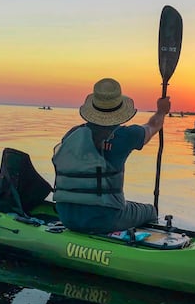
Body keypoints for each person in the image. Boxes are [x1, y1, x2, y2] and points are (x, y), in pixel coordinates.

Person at [52, 78, 170, 234]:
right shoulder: (126, 135)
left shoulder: (72, 134)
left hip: (66, 215)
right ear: (120, 110)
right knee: (150, 211)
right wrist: (161, 111)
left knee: (125, 205)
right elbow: (153, 126)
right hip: (105, 218)